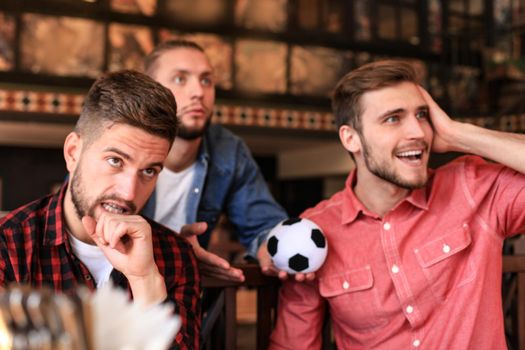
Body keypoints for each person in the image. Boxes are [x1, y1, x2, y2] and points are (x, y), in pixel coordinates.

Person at [269, 60, 525, 349]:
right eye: (393, 118)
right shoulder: (315, 231)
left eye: (422, 116)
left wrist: (457, 133)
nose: (418, 132)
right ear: (351, 138)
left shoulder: (472, 187)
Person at [0, 70, 200, 349]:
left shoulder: (173, 255)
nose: (129, 192)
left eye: (149, 170)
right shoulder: (8, 245)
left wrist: (145, 280)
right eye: (115, 161)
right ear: (73, 152)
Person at [142, 40, 291, 282]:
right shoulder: (118, 142)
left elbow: (264, 225)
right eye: (180, 79)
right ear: (149, 89)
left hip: (184, 295)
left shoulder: (228, 150)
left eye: (206, 80)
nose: (198, 92)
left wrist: (272, 247)